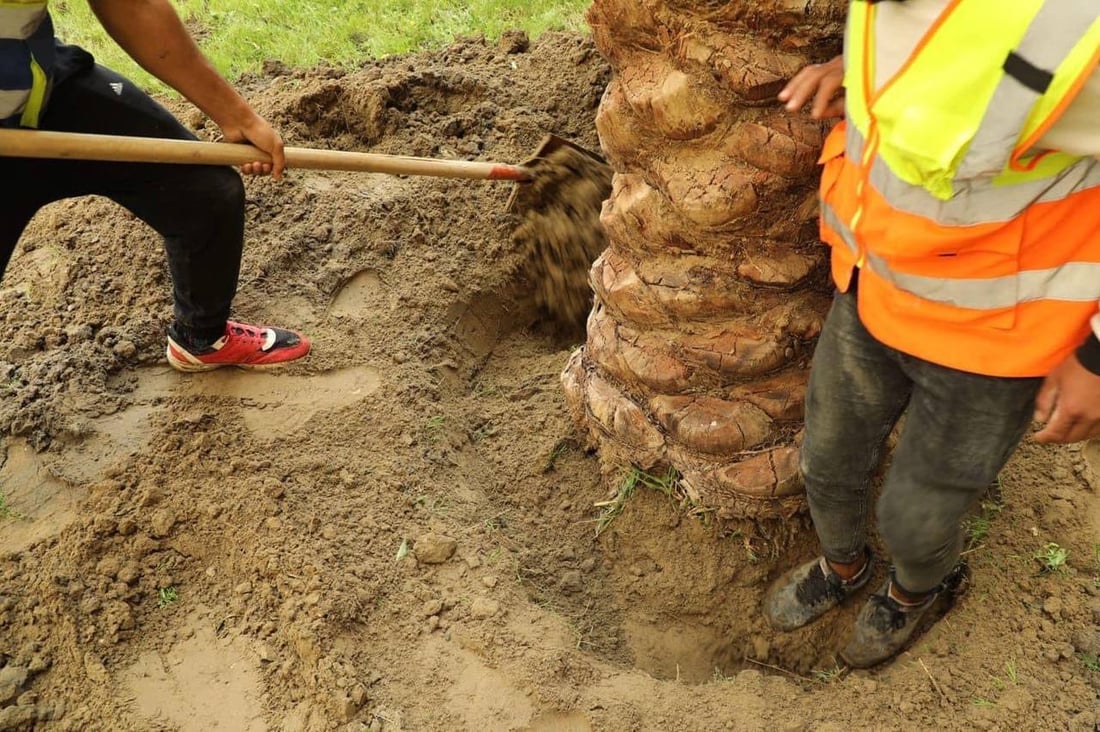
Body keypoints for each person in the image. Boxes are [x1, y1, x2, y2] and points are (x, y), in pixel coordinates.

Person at [762, 0, 1100, 668]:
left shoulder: (1074, 29)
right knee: (826, 464)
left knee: (917, 517)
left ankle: (917, 590)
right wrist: (857, 76)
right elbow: (944, 69)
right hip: (872, 290)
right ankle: (845, 569)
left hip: (993, 334)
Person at [1, 0, 310, 372]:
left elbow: (133, 6)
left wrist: (236, 116)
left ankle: (201, 339)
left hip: (41, 88)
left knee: (206, 192)